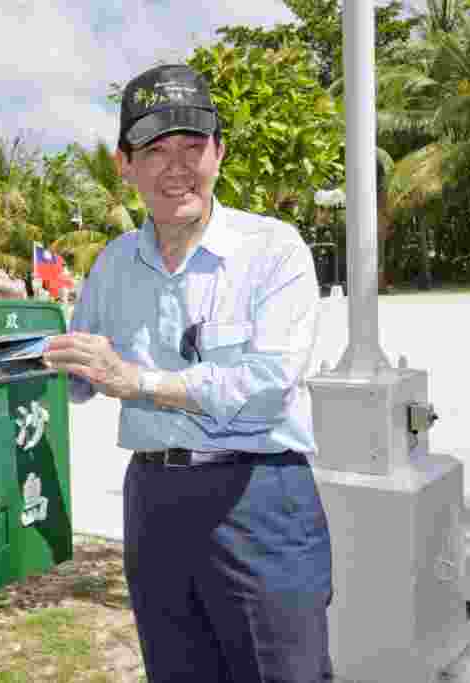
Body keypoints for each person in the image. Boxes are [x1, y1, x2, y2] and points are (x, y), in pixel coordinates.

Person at [42, 64, 333, 682]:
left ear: (219, 153)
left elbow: (268, 388)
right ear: (125, 165)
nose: (177, 166)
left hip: (259, 497)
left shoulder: (273, 251)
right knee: (177, 671)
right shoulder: (114, 265)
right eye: (154, 149)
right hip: (155, 501)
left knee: (284, 672)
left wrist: (139, 382)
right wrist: (6, 317)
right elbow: (75, 373)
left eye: (193, 146)